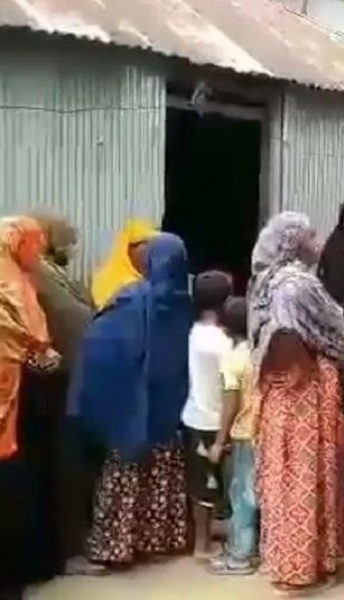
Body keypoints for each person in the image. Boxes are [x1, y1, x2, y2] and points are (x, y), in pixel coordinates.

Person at [70, 232, 193, 569]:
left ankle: (114, 547)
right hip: (170, 405)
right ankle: (154, 539)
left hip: (133, 406)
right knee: (160, 470)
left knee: (124, 471)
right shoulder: (184, 301)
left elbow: (101, 349)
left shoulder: (133, 299)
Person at [249, 211, 344, 595]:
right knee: (306, 473)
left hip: (283, 391)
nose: (318, 241)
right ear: (294, 241)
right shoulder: (296, 285)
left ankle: (292, 559)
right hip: (306, 390)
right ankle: (302, 566)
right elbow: (312, 331)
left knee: (286, 470)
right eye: (311, 235)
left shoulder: (269, 281)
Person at [27, 214, 101, 577]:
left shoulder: (50, 272)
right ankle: (68, 550)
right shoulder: (36, 273)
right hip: (52, 384)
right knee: (65, 467)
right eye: (67, 241)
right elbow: (73, 317)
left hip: (68, 379)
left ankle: (71, 545)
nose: (72, 249)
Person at [0, 217, 61, 600]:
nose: (37, 254)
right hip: (13, 411)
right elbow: (38, 347)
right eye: (33, 245)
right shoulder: (14, 289)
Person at [181, 271, 234, 556]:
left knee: (200, 483)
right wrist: (222, 437)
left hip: (193, 416)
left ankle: (202, 541)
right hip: (214, 421)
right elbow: (229, 390)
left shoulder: (194, 332)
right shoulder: (222, 343)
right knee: (211, 485)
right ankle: (203, 546)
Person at [207, 296, 259, 576]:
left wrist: (219, 441)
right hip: (268, 432)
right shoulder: (260, 353)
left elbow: (230, 404)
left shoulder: (233, 360)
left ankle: (240, 556)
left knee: (242, 495)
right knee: (260, 493)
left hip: (245, 433)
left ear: (226, 328)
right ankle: (256, 548)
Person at [90, 218, 157, 310]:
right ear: (127, 249)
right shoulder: (108, 281)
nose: (148, 255)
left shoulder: (155, 278)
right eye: (142, 247)